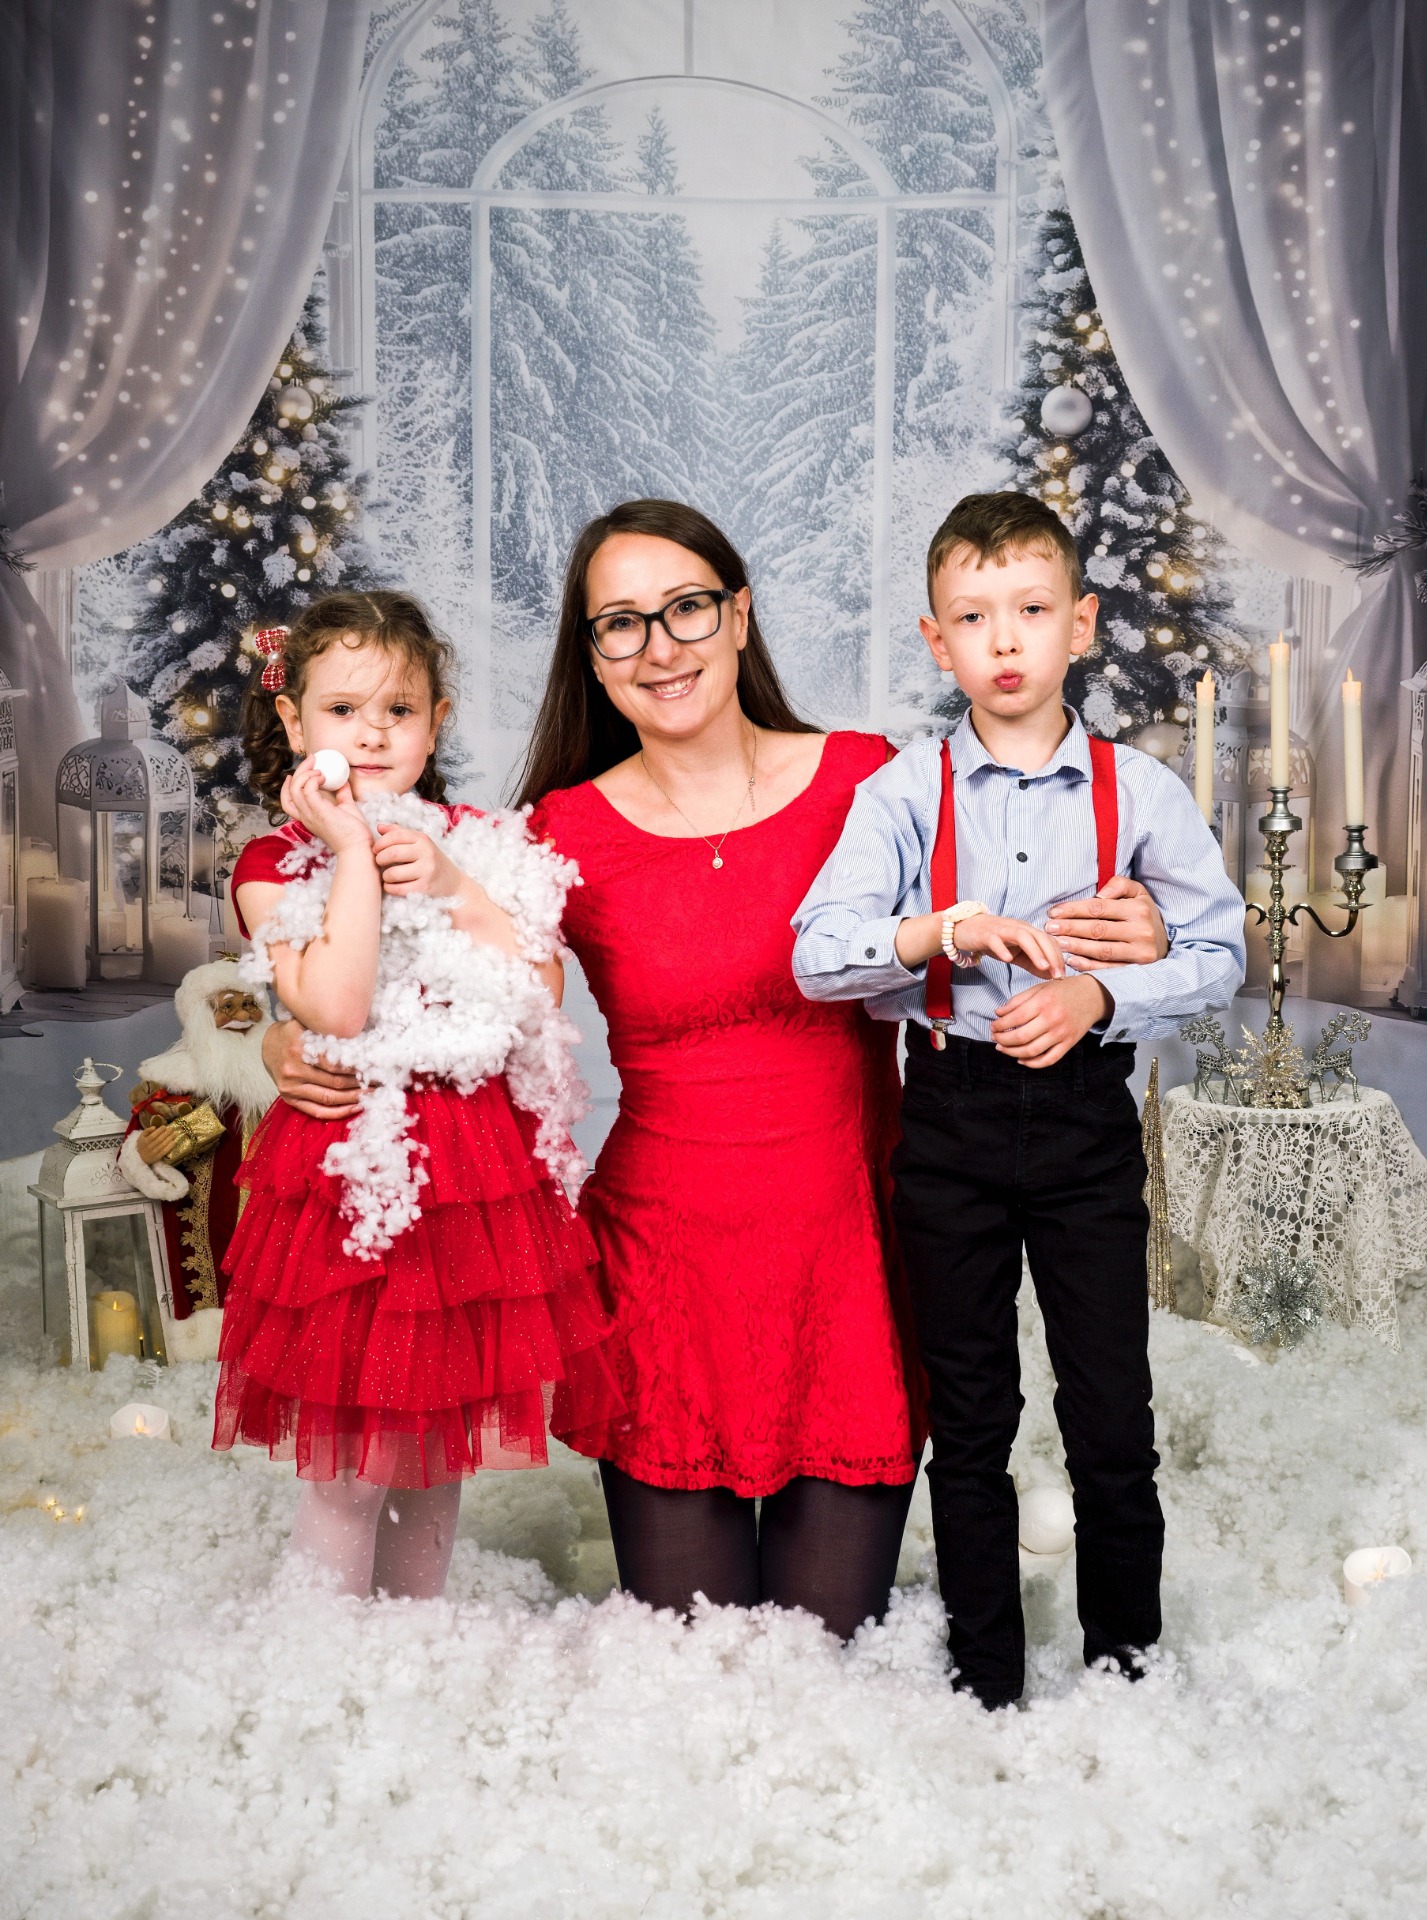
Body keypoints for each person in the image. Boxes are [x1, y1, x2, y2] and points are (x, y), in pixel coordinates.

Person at [262, 503, 1171, 1640]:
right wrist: (280, 1041)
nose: (659, 646)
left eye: (686, 607)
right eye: (621, 623)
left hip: (849, 1278)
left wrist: (1134, 929)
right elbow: (417, 969)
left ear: (738, 616)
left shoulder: (871, 780)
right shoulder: (558, 832)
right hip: (661, 1288)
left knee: (818, 1659)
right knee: (694, 1668)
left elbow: (1008, 898)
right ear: (592, 655)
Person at [792, 491, 1245, 1706]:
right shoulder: (903, 794)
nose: (1003, 639)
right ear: (936, 642)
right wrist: (938, 930)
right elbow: (815, 955)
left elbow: (1217, 955)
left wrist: (1101, 995)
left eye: (1031, 611)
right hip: (948, 1121)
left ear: (1078, 625)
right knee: (970, 1412)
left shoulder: (1136, 792)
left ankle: (1125, 1665)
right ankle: (984, 1672)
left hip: (1087, 1126)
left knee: (1109, 1411)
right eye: (971, 616)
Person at [215, 590, 624, 1600]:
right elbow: (337, 1005)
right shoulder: (273, 866)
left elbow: (539, 988)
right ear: (294, 723)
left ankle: (413, 1640)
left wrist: (451, 886)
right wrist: (354, 854)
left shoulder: (475, 840)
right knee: (354, 1462)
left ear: (436, 722)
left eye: (397, 710)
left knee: (437, 1451)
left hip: (470, 1179)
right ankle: (327, 1648)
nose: (370, 734)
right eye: (342, 710)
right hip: (353, 1171)